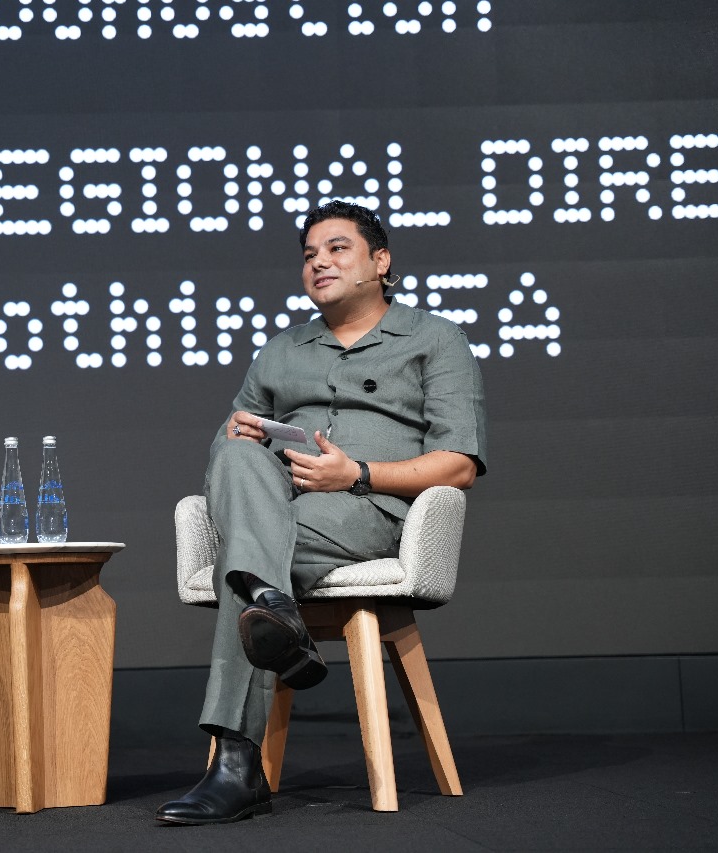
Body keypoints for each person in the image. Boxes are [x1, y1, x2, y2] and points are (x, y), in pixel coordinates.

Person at [155, 200, 487, 826]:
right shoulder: (281, 350)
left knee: (244, 564)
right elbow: (228, 452)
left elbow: (458, 465)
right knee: (235, 451)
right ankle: (273, 607)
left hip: (369, 510)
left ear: (380, 262)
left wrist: (355, 473)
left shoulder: (435, 339)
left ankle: (236, 765)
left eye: (337, 249)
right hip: (278, 506)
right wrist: (240, 434)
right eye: (309, 254)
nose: (319, 263)